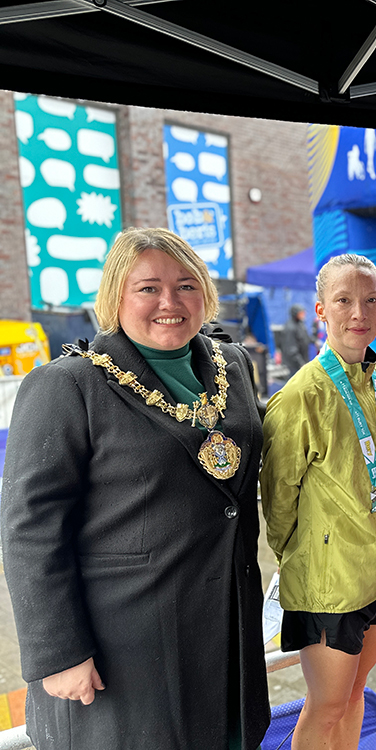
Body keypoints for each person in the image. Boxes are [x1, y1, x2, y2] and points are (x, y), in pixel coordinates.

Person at [1, 227, 269, 750]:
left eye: (186, 285)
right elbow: (29, 530)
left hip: (226, 625)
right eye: (148, 287)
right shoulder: (66, 385)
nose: (170, 302)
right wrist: (59, 653)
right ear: (115, 296)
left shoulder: (231, 365)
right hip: (124, 648)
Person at [260, 254, 376, 749]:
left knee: (354, 693)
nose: (358, 313)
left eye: (369, 300)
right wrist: (304, 562)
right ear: (320, 309)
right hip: (330, 588)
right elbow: (277, 505)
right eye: (344, 300)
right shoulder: (300, 396)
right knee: (324, 706)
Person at [281, 303, 312, 376]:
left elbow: (305, 338)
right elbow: (291, 349)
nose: (304, 315)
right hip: (294, 365)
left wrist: (314, 341)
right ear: (295, 314)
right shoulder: (290, 328)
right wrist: (300, 363)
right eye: (301, 313)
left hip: (302, 361)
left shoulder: (300, 324)